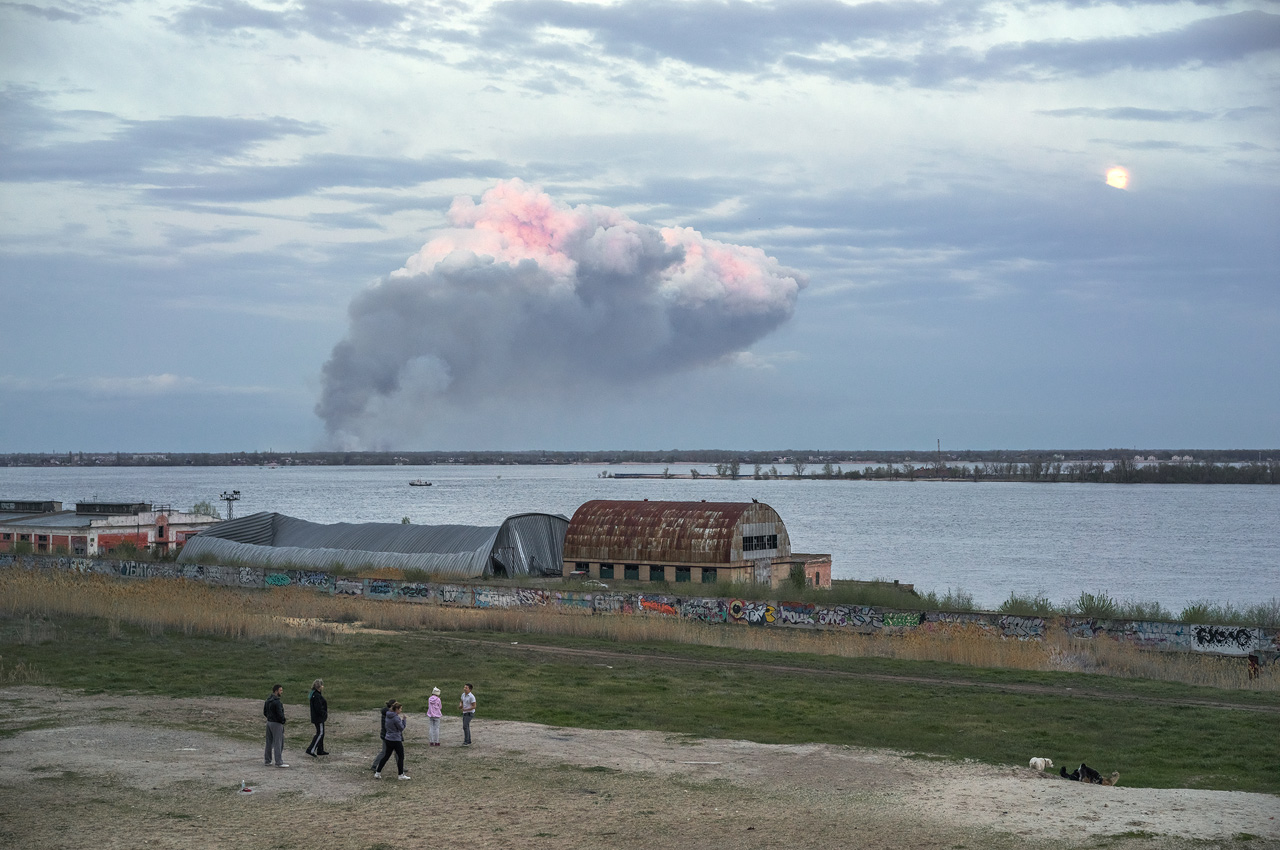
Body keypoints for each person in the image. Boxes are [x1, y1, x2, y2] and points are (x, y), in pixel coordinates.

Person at [374, 701, 410, 780]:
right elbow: (401, 728)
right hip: (396, 739)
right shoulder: (396, 718)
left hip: (388, 738)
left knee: (386, 756)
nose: (401, 710)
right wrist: (404, 720)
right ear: (396, 709)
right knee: (401, 756)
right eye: (400, 709)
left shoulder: (387, 715)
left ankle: (378, 772)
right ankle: (401, 775)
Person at [263, 683, 288, 768]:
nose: (282, 692)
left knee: (269, 742)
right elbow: (280, 714)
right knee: (278, 743)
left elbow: (265, 712)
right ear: (276, 691)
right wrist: (283, 720)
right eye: (280, 690)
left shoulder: (268, 700)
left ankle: (267, 760)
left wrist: (270, 717)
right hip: (277, 724)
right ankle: (279, 762)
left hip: (269, 723)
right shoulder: (277, 702)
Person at [305, 678, 329, 758]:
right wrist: (324, 714)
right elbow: (319, 708)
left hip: (317, 717)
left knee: (321, 733)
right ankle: (311, 749)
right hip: (318, 718)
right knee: (320, 733)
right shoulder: (317, 696)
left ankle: (320, 749)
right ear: (319, 686)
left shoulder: (314, 694)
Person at [371, 698, 395, 771]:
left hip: (386, 735)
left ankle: (374, 765)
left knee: (386, 752)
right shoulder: (390, 714)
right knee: (386, 752)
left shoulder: (386, 713)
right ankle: (374, 766)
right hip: (388, 736)